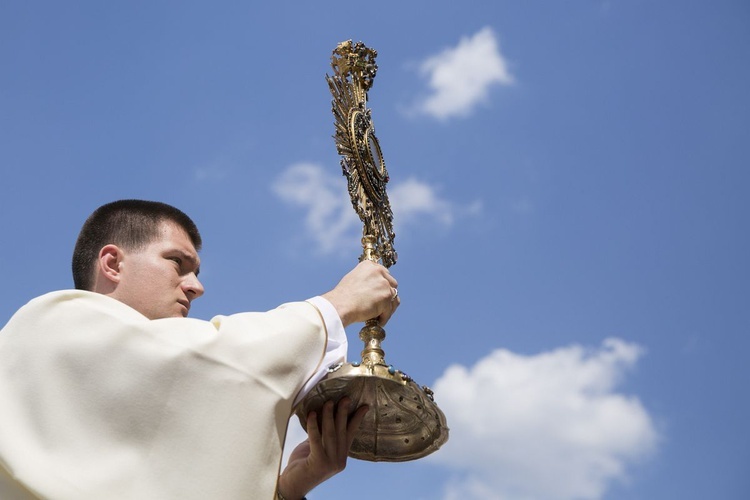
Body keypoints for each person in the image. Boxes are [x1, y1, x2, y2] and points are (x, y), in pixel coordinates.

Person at [0, 200, 400, 500]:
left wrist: (283, 489)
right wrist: (336, 305)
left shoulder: (145, 404)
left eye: (196, 272)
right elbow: (206, 358)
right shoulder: (48, 325)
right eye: (178, 263)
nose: (196, 286)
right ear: (112, 263)